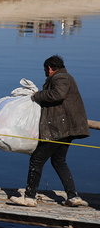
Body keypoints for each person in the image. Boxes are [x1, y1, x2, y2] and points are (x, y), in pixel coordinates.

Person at [9, 56, 90, 208]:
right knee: (59, 161)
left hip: (59, 128)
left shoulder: (61, 78)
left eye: (46, 70)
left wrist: (37, 95)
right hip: (66, 129)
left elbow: (58, 94)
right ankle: (73, 196)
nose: (46, 73)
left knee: (37, 159)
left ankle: (30, 197)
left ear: (51, 68)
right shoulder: (65, 77)